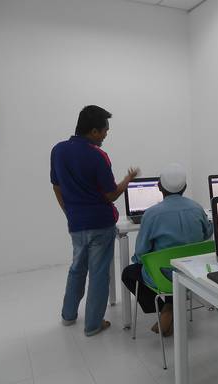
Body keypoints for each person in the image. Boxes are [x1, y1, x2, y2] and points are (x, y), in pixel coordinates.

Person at [51, 105, 139, 336]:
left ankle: (68, 315)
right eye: (104, 130)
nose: (106, 135)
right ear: (93, 131)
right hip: (100, 224)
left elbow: (56, 186)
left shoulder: (58, 150)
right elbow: (110, 194)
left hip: (76, 223)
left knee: (77, 269)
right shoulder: (98, 155)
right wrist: (127, 180)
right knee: (99, 274)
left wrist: (69, 212)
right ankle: (93, 325)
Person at [121, 163, 213, 336]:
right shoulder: (197, 208)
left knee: (129, 273)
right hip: (193, 273)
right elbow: (208, 233)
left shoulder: (151, 214)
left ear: (159, 187)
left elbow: (141, 254)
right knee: (174, 268)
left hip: (163, 277)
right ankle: (172, 305)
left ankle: (166, 309)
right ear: (185, 187)